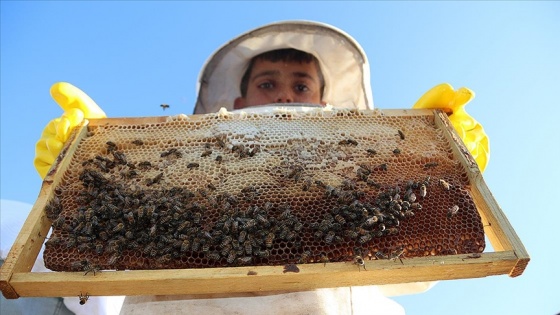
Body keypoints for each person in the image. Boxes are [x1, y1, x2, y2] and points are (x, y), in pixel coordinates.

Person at [24, 20, 489, 314]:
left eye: (301, 86)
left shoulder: (360, 160)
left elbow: (424, 262)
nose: (286, 95)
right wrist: (93, 166)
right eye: (269, 83)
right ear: (241, 101)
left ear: (324, 100)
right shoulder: (187, 163)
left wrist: (433, 165)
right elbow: (87, 268)